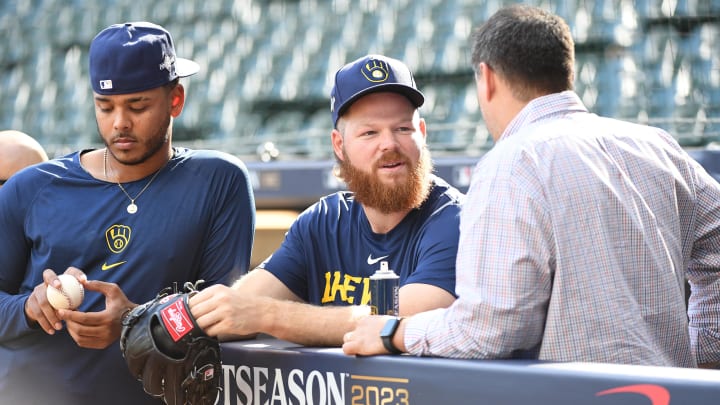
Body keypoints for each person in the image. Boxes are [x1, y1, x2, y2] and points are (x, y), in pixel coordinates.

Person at [342, 5, 720, 369]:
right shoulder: (657, 144)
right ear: (565, 70)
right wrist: (701, 352)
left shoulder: (511, 162)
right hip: (672, 392)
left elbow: (492, 330)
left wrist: (395, 332)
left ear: (487, 78)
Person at [0, 22, 255, 404]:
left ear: (176, 100)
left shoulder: (219, 181)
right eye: (105, 107)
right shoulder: (31, 187)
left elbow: (226, 311)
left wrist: (138, 320)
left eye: (137, 106)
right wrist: (30, 307)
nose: (119, 122)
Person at [189, 54, 464, 346]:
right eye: (370, 132)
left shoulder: (455, 219)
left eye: (403, 129)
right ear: (339, 145)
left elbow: (402, 321)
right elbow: (237, 310)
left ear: (422, 134)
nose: (390, 144)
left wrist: (267, 315)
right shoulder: (323, 221)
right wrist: (152, 318)